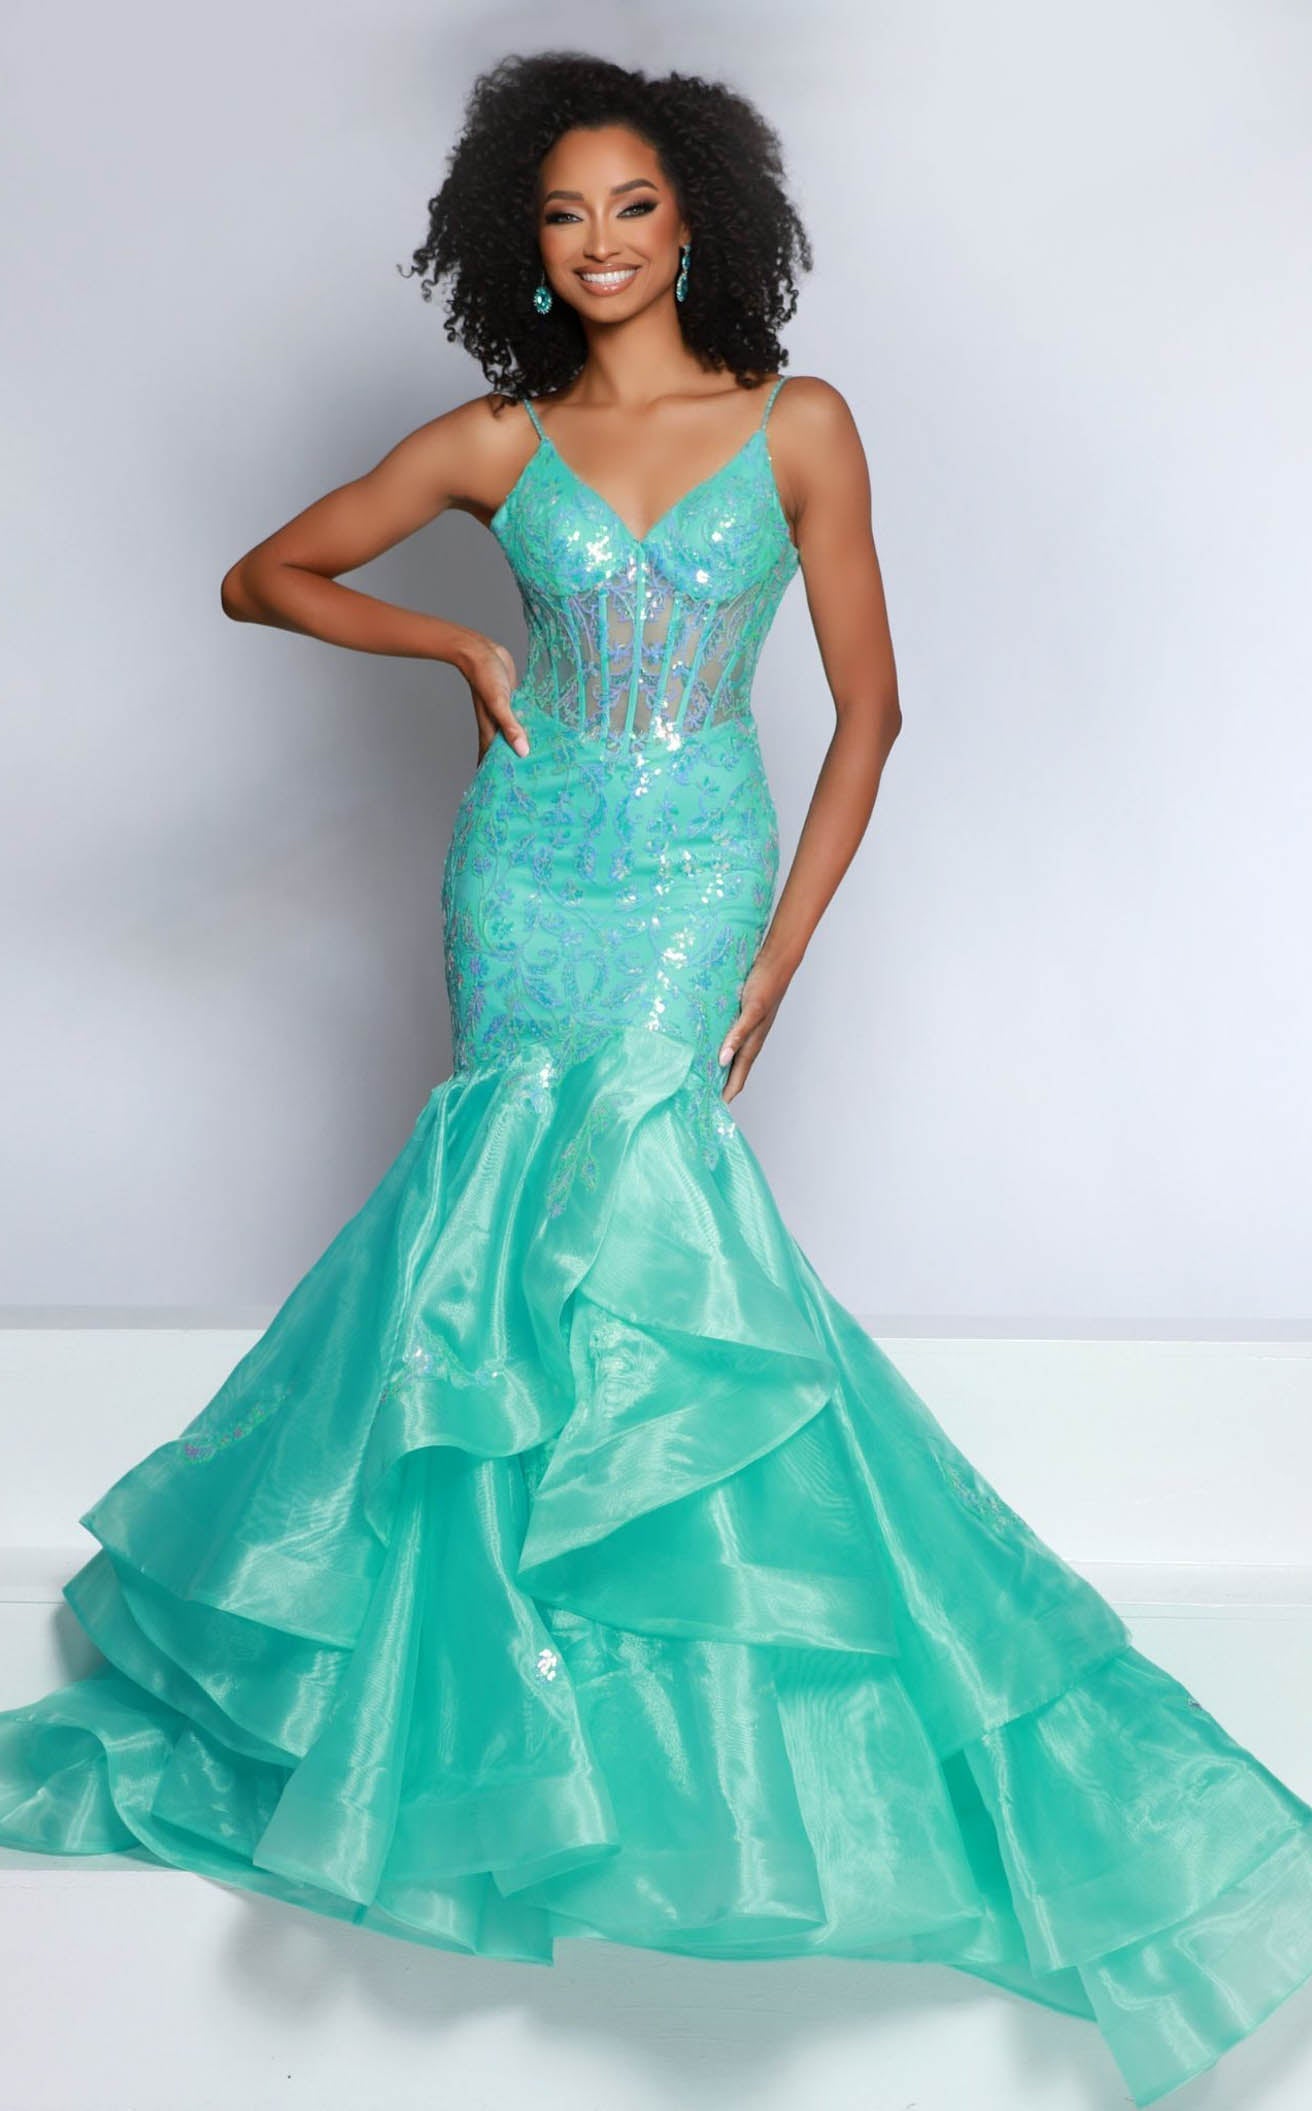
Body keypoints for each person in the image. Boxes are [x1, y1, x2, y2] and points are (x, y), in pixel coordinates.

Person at [1, 50, 1309, 2110]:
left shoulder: (799, 425)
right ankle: (503, 1706)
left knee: (658, 1238)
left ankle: (663, 1706)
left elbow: (871, 712)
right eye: (562, 214)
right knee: (495, 1240)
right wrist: (459, 651)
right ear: (521, 247)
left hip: (697, 868)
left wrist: (780, 946)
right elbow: (261, 575)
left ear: (696, 220)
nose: (600, 242)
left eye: (631, 205)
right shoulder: (492, 440)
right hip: (523, 871)